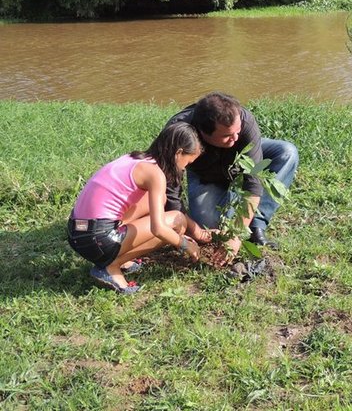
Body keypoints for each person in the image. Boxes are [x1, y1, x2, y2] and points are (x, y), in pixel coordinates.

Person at [67, 122, 203, 294]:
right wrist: (184, 244)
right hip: (98, 239)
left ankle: (120, 259)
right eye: (187, 162)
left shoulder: (134, 159)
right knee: (177, 221)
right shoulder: (155, 174)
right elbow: (158, 228)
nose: (185, 169)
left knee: (158, 201)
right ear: (178, 153)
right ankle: (111, 267)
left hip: (77, 233)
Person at [165, 92, 298, 262]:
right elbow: (170, 189)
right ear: (203, 134)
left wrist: (236, 234)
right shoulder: (179, 132)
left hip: (238, 165)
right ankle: (229, 201)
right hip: (206, 176)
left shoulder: (244, 121)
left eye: (237, 131)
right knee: (209, 226)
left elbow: (253, 183)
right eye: (227, 136)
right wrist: (187, 230)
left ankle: (256, 224)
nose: (235, 139)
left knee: (287, 152)